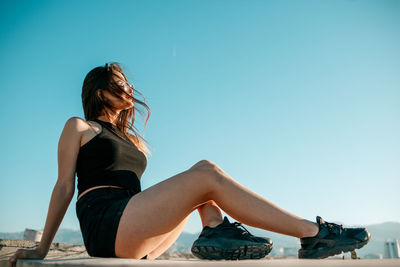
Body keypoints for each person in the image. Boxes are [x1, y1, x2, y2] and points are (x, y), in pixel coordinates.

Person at [9, 62, 370, 266]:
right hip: (105, 222)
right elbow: (63, 187)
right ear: (100, 91)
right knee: (206, 171)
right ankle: (313, 234)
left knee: (203, 186)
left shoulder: (132, 141)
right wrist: (42, 249)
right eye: (120, 86)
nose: (129, 93)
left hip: (132, 227)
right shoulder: (79, 127)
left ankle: (214, 228)